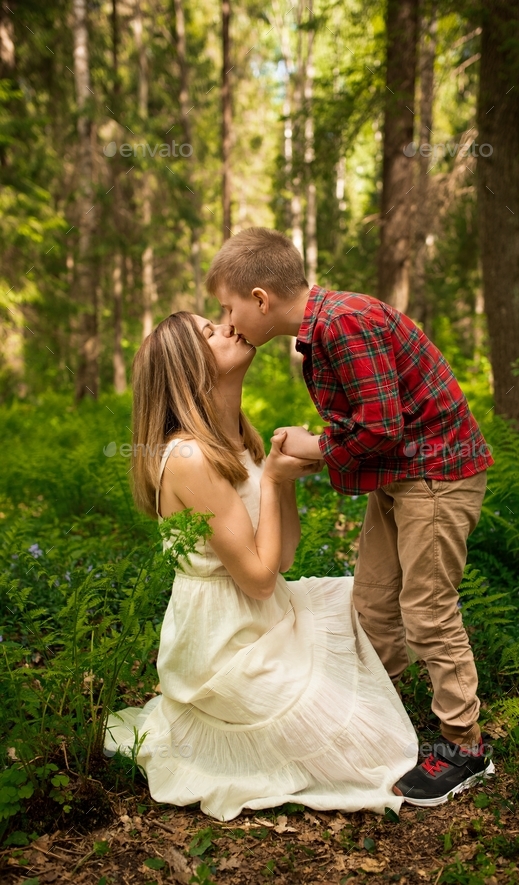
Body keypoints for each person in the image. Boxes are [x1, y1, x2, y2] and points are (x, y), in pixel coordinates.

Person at [205, 228, 496, 807]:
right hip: (402, 475)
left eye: (229, 307)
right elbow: (374, 417)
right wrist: (319, 441)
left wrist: (314, 447)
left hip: (436, 474)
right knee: (372, 599)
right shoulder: (325, 328)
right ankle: (375, 716)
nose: (229, 322)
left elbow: (382, 427)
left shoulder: (342, 323)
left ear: (261, 299)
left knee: (426, 609)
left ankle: (465, 746)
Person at [104, 311, 418, 822]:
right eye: (210, 332)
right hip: (225, 640)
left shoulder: (238, 437)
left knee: (362, 608)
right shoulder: (187, 457)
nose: (228, 327)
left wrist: (281, 476)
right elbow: (256, 577)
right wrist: (271, 481)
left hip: (266, 611)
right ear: (190, 370)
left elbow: (284, 556)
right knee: (366, 748)